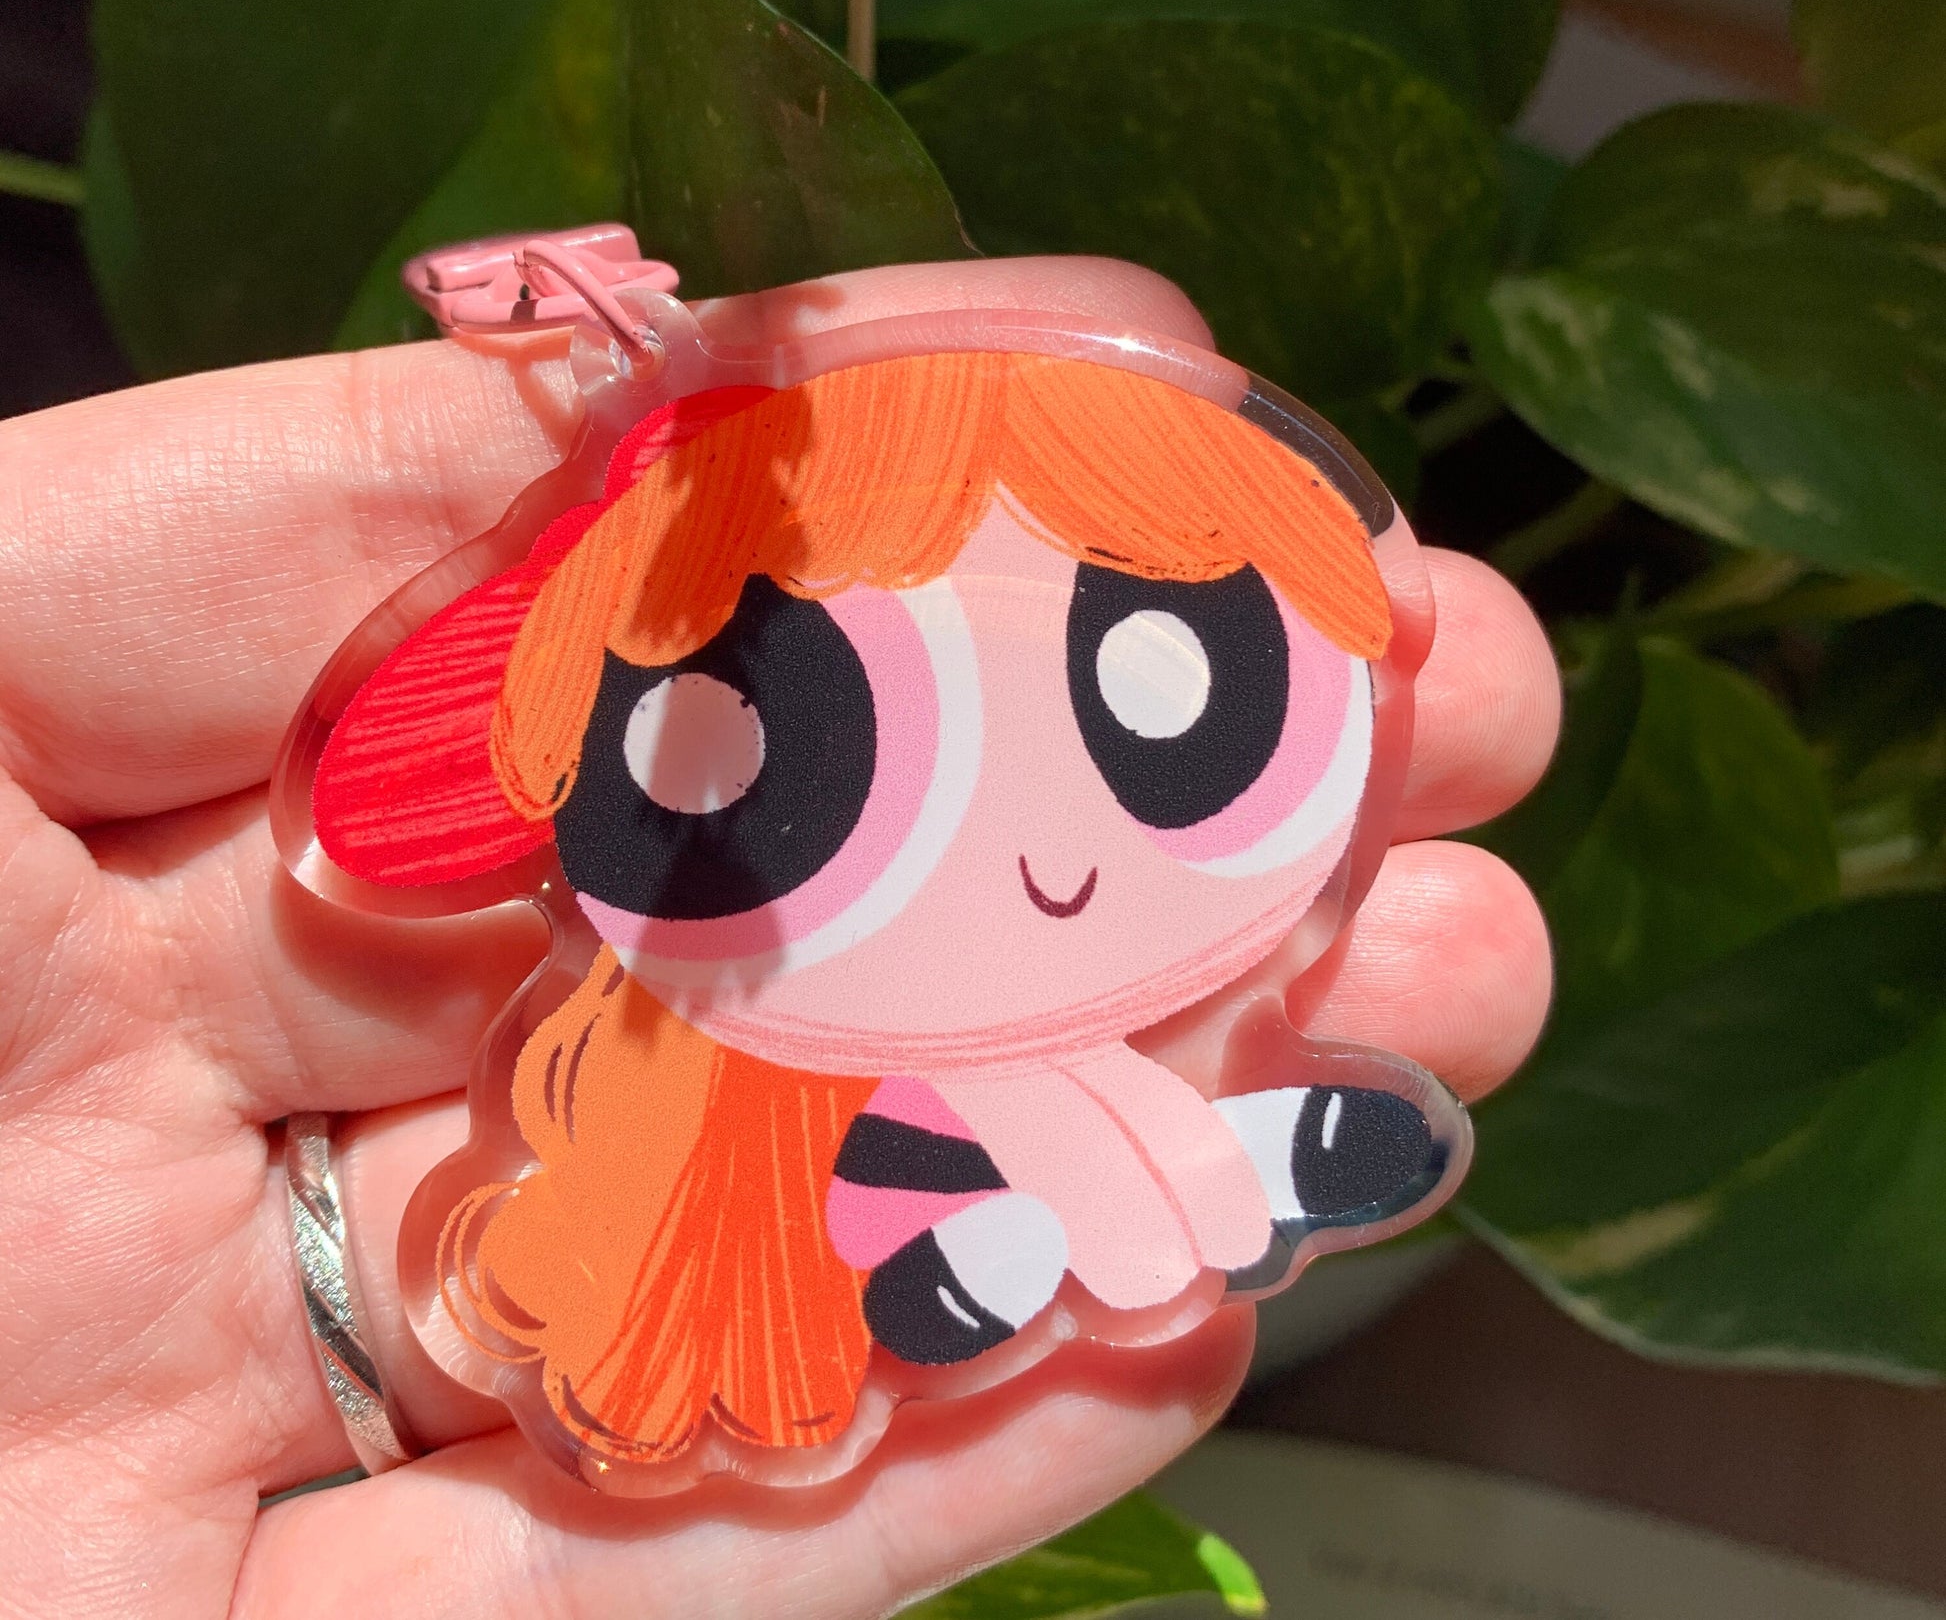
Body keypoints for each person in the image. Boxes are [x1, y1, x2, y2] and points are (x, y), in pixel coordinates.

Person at [0, 256, 1558, 1616]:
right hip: (870, 1178)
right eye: (796, 758)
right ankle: (993, 1247)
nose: (1039, 854)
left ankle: (1148, 1195)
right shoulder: (738, 1066)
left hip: (990, 1157)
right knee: (943, 1150)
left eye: (1173, 692)